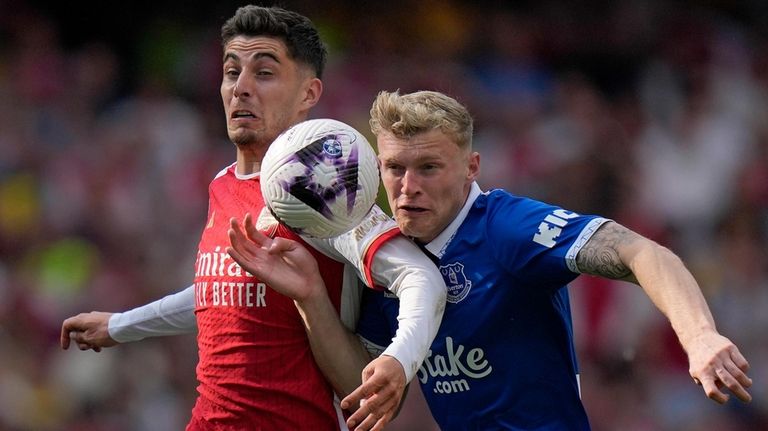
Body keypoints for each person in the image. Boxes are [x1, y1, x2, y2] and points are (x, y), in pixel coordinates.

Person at [226, 89, 753, 430]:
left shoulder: (506, 229)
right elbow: (364, 384)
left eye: (429, 167)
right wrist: (311, 299)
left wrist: (699, 336)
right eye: (395, 169)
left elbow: (642, 251)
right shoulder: (383, 257)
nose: (408, 188)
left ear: (471, 166)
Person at [60, 7, 446, 431]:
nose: (240, 87)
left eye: (263, 73)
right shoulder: (222, 184)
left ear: (308, 94)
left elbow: (421, 278)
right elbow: (219, 294)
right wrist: (120, 325)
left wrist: (397, 358)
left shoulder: (323, 191)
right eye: (231, 72)